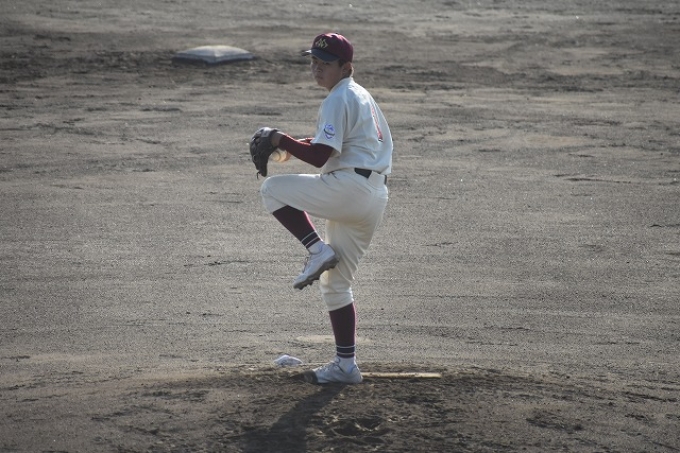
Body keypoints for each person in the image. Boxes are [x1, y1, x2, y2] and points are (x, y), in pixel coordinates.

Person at [257, 33, 392, 384]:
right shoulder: (360, 96)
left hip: (348, 189)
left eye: (325, 63)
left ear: (345, 67)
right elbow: (330, 146)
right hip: (372, 197)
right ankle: (346, 366)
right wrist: (292, 146)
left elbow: (319, 157)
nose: (316, 68)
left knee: (272, 190)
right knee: (336, 284)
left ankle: (316, 249)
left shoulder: (338, 97)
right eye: (313, 61)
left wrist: (279, 139)